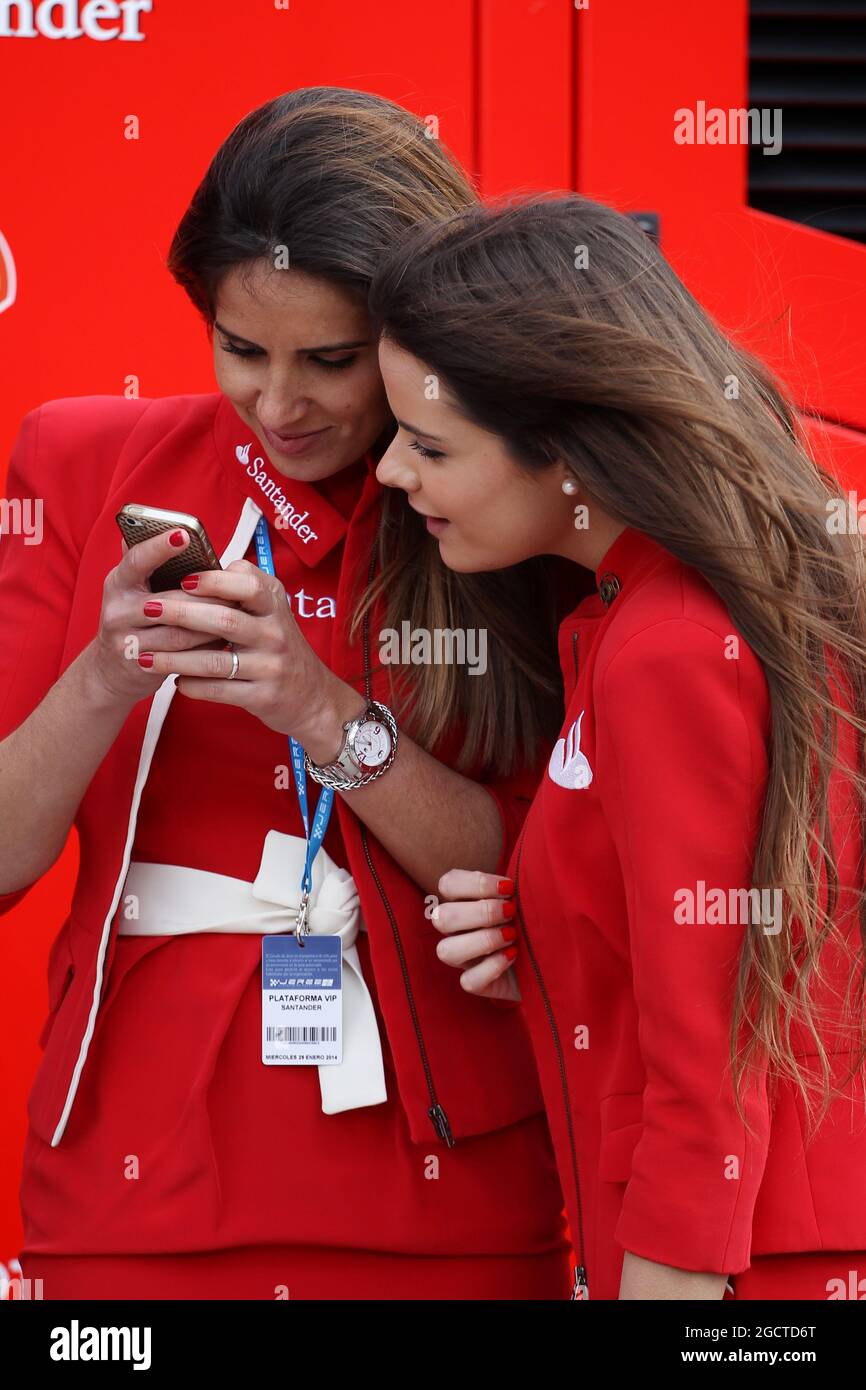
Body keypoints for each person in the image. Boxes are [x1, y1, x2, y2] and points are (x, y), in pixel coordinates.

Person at [1, 90, 577, 1300]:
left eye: (330, 358)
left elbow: (541, 885)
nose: (279, 404)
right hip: (126, 1181)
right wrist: (108, 668)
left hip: (446, 1187)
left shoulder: (494, 506)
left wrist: (324, 716)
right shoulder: (79, 459)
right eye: (240, 349)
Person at [369, 192, 866, 1300]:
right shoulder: (670, 616)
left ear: (565, 451)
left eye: (428, 443)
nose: (391, 473)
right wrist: (550, 935)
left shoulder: (667, 650)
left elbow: (706, 1077)